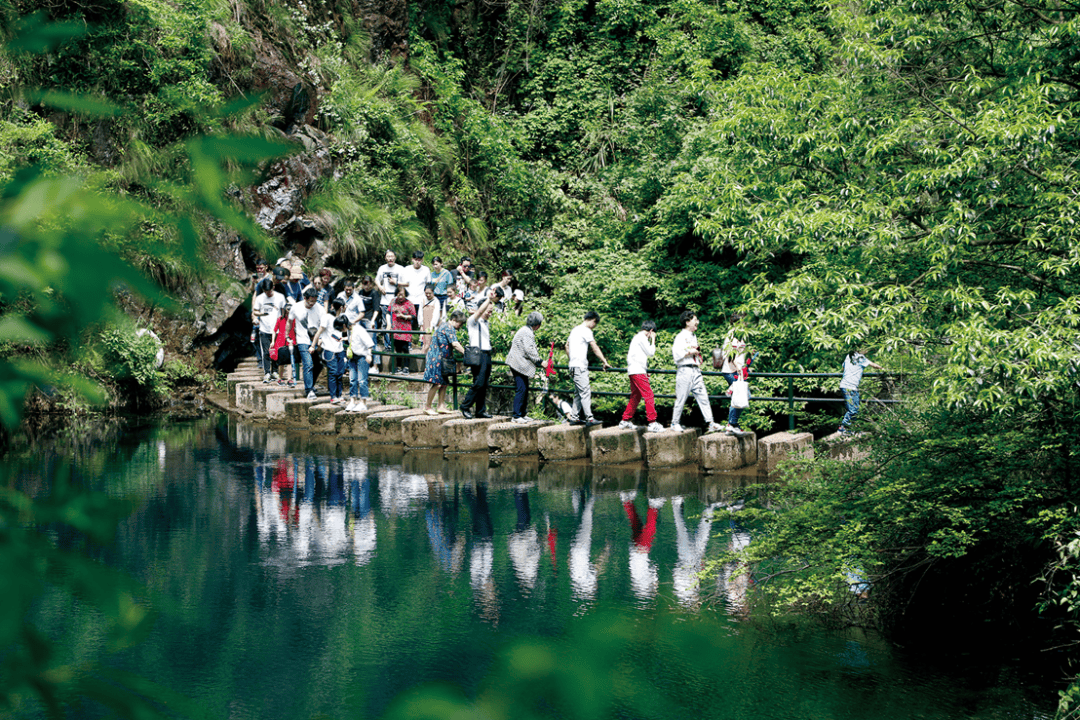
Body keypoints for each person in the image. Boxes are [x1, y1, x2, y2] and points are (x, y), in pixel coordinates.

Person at [670, 310, 724, 433]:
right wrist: (690, 352)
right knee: (681, 398)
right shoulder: (680, 337)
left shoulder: (693, 336)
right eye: (695, 320)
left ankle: (710, 423)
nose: (697, 322)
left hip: (695, 370)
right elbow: (676, 354)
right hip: (685, 370)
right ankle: (674, 423)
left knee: (703, 396)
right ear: (687, 322)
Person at [565, 311, 610, 427]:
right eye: (595, 324)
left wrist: (572, 358)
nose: (594, 326)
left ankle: (574, 418)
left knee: (578, 393)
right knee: (585, 392)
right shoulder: (586, 331)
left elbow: (566, 345)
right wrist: (604, 361)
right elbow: (594, 347)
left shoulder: (575, 329)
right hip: (580, 367)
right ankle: (589, 418)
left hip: (573, 366)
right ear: (592, 320)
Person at [618, 320, 663, 433]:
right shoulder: (642, 338)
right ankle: (652, 423)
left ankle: (625, 420)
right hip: (638, 371)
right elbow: (651, 352)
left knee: (636, 396)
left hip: (633, 371)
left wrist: (645, 370)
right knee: (649, 395)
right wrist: (653, 339)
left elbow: (636, 356)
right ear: (651, 331)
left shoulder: (636, 338)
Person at [459, 288, 497, 419]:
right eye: (488, 311)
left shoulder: (486, 323)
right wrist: (489, 299)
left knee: (484, 384)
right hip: (477, 354)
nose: (489, 314)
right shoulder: (473, 321)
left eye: (491, 311)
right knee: (478, 383)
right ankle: (465, 405)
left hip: (486, 354)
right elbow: (479, 311)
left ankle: (480, 410)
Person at [422, 310, 467, 415]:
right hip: (437, 359)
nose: (460, 326)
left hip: (441, 359)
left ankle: (441, 406)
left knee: (444, 383)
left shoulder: (444, 325)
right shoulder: (448, 327)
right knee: (437, 384)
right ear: (455, 320)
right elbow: (455, 344)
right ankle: (427, 407)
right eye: (460, 323)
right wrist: (467, 353)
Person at [505, 312, 544, 423]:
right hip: (518, 364)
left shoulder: (525, 330)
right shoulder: (527, 332)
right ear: (537, 325)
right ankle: (516, 416)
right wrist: (540, 361)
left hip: (518, 363)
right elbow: (529, 350)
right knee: (521, 389)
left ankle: (522, 413)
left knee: (524, 389)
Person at [287, 287, 324, 399]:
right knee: (308, 363)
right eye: (310, 301)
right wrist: (286, 336)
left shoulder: (320, 309)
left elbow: (324, 326)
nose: (312, 303)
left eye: (315, 301)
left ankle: (311, 385)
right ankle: (309, 390)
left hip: (316, 340)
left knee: (318, 365)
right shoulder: (296, 307)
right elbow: (289, 321)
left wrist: (321, 339)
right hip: (302, 339)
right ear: (305, 298)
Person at [838, 348, 883, 433]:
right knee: (853, 410)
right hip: (849, 386)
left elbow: (843, 368)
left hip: (848, 386)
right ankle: (843, 427)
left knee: (855, 409)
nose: (867, 350)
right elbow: (874, 365)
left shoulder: (849, 356)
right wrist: (883, 368)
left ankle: (852, 429)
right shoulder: (861, 358)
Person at [312, 297, 348, 403]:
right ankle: (333, 396)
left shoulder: (342, 318)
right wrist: (313, 345)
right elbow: (319, 332)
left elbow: (348, 331)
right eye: (345, 306)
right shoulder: (327, 317)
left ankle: (339, 394)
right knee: (333, 372)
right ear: (341, 307)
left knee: (340, 372)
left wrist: (344, 338)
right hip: (329, 349)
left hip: (339, 349)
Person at [252, 278, 286, 383]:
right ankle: (267, 372)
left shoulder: (280, 297)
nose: (268, 293)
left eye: (270, 291)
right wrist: (261, 315)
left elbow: (284, 311)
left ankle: (275, 371)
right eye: (266, 291)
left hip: (277, 330)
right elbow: (255, 311)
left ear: (273, 288)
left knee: (277, 351)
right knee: (266, 352)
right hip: (264, 329)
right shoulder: (259, 298)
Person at [345, 316, 374, 412]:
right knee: (352, 379)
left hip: (362, 356)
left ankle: (363, 402)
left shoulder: (359, 329)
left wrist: (369, 355)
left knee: (362, 380)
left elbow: (369, 343)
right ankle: (352, 401)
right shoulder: (349, 330)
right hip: (353, 357)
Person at [376, 250, 401, 351]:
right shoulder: (382, 268)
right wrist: (380, 287)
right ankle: (387, 345)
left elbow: (406, 283)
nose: (390, 258)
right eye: (388, 256)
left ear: (395, 257)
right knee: (385, 324)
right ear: (385, 258)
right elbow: (377, 279)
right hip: (385, 300)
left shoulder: (400, 269)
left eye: (392, 256)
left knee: (398, 323)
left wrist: (396, 282)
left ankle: (398, 345)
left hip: (397, 300)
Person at [389, 286, 415, 374]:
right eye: (399, 294)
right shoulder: (393, 302)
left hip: (405, 329)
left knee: (405, 348)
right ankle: (398, 366)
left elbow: (413, 316)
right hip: (395, 328)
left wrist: (404, 316)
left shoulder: (409, 303)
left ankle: (406, 367)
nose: (400, 297)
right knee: (398, 348)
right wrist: (389, 324)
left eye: (402, 295)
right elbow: (388, 312)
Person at [270, 304, 295, 387]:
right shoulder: (280, 319)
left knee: (289, 362)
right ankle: (280, 378)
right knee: (281, 362)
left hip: (290, 340)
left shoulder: (293, 319)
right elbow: (274, 330)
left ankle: (289, 379)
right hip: (280, 341)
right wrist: (273, 341)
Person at [417, 283, 444, 356]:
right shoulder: (422, 300)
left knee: (430, 343)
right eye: (426, 293)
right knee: (424, 342)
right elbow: (420, 313)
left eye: (430, 293)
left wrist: (432, 325)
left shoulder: (436, 301)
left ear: (433, 292)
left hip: (431, 325)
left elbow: (436, 314)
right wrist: (421, 324)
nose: (428, 295)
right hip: (424, 324)